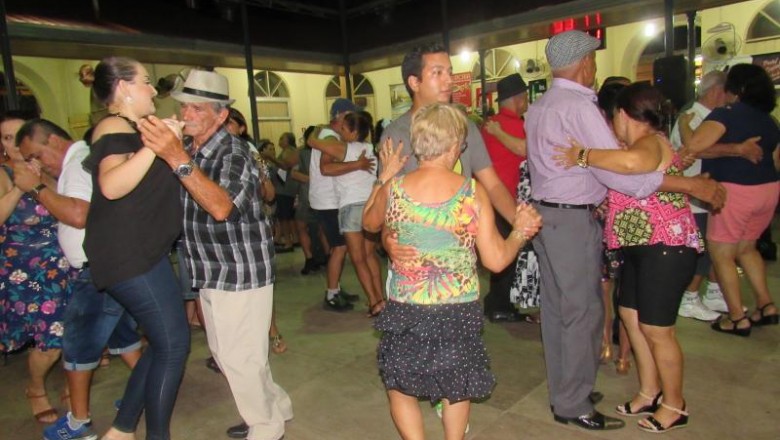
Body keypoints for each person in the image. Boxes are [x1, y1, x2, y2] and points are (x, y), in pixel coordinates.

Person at [525, 30, 725, 432]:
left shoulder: (542, 104)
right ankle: (573, 400)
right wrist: (685, 184)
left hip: (547, 215)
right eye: (594, 61)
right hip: (572, 219)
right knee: (582, 312)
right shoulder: (579, 106)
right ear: (585, 64)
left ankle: (568, 389)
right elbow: (622, 170)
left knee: (558, 309)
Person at [363, 102, 543, 440]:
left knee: (400, 386)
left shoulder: (395, 189)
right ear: (455, 145)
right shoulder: (471, 194)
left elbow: (369, 222)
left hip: (407, 306)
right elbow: (496, 261)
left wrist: (383, 179)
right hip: (457, 308)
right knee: (455, 386)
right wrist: (520, 232)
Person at [137, 69, 293, 440]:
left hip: (240, 271)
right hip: (208, 269)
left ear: (221, 115)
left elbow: (221, 208)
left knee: (240, 359)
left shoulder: (235, 152)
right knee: (229, 355)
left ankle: (266, 427)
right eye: (183, 106)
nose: (185, 114)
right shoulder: (192, 150)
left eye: (196, 107)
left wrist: (176, 158)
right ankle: (276, 406)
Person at [554, 83, 704, 433]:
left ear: (623, 114)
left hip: (664, 246)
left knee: (657, 328)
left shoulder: (650, 143)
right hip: (641, 246)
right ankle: (649, 391)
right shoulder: (636, 145)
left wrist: (582, 154)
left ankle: (675, 404)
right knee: (631, 317)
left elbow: (632, 164)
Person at [12, 119, 143, 440]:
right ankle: (147, 393)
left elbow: (79, 214)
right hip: (107, 264)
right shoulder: (77, 163)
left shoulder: (79, 164)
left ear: (54, 141)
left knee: (78, 348)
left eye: (37, 156)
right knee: (122, 338)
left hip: (96, 267)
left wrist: (36, 188)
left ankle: (78, 421)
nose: (36, 164)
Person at [83, 56, 189, 440]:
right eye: (145, 81)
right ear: (124, 88)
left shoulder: (136, 128)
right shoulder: (113, 124)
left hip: (142, 252)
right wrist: (158, 146)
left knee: (163, 344)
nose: (151, 89)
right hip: (128, 254)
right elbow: (111, 186)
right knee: (175, 345)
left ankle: (121, 430)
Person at [679, 63, 780, 336]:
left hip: (735, 190)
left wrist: (684, 125)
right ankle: (766, 305)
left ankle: (736, 316)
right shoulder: (768, 119)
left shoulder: (727, 114)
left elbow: (694, 147)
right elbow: (775, 159)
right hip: (768, 188)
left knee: (722, 252)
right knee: (747, 249)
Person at [0, 110, 71, 425]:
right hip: (25, 270)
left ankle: (73, 381)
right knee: (50, 340)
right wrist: (19, 186)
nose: (13, 144)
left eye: (18, 136)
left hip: (63, 263)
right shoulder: (3, 173)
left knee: (71, 332)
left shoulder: (53, 170)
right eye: (5, 138)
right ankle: (36, 387)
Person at [670, 71, 733, 322]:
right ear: (716, 91)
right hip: (693, 197)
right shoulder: (693, 117)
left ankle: (710, 292)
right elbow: (697, 150)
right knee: (700, 249)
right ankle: (689, 297)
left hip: (703, 195)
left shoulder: (707, 117)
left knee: (712, 248)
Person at [309, 111, 384, 316]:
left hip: (351, 207)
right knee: (370, 255)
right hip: (371, 206)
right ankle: (382, 298)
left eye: (343, 129)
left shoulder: (343, 148)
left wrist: (319, 128)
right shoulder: (370, 148)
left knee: (358, 259)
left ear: (352, 131)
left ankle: (374, 302)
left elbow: (314, 146)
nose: (340, 131)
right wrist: (358, 165)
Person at [480, 73, 532, 323]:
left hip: (488, 197)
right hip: (507, 199)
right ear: (519, 99)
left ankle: (494, 302)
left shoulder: (489, 124)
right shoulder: (517, 125)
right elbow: (526, 150)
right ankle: (501, 305)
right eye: (525, 98)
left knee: (496, 249)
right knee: (509, 253)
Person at [309, 98, 361, 312]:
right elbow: (327, 168)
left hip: (328, 200)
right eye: (350, 115)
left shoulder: (327, 135)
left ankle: (336, 287)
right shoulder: (329, 137)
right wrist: (358, 165)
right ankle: (331, 294)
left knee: (339, 247)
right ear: (339, 115)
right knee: (339, 247)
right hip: (328, 201)